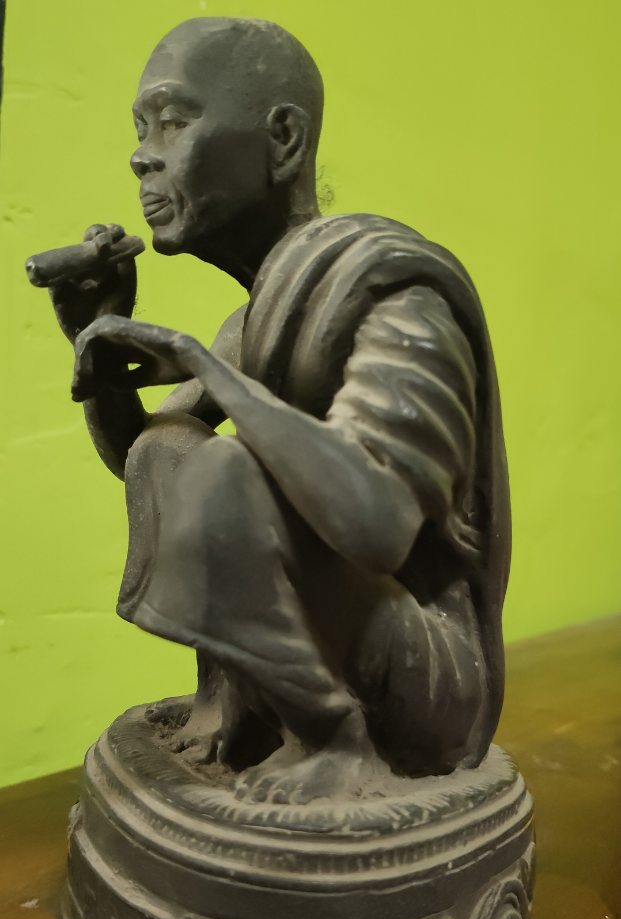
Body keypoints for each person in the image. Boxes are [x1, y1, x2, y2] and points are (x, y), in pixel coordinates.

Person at [46, 17, 511, 805]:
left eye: (173, 122)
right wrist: (100, 340)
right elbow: (149, 464)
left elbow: (377, 526)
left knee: (225, 468)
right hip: (341, 635)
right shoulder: (255, 316)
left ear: (283, 140)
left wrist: (204, 366)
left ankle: (333, 738)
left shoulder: (397, 298)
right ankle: (244, 708)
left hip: (427, 679)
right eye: (139, 129)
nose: (141, 155)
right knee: (175, 452)